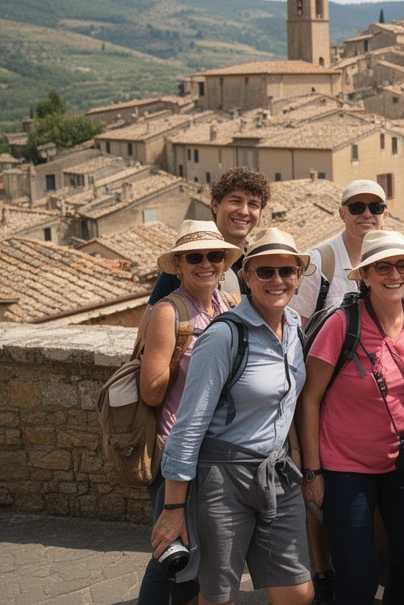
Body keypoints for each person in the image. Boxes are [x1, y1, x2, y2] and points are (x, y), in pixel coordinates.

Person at [152, 228, 313, 605]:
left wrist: (300, 460)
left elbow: (287, 402)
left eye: (287, 271)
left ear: (298, 276)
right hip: (222, 480)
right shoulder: (224, 336)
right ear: (245, 275)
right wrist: (174, 509)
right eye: (265, 272)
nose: (277, 280)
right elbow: (188, 427)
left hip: (277, 472)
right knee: (217, 596)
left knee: (299, 592)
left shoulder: (294, 326)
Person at [297, 231, 404, 605]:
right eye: (383, 267)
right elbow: (309, 399)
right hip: (346, 468)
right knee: (357, 576)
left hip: (403, 464)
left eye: (402, 265)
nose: (395, 274)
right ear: (366, 275)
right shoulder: (343, 324)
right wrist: (313, 472)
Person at [136, 220, 242, 605]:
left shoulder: (229, 305)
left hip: (215, 449)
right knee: (171, 548)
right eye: (194, 257)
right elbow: (151, 391)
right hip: (176, 447)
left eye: (214, 256)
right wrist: (192, 359)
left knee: (202, 552)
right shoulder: (170, 312)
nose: (206, 264)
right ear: (179, 264)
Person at [148, 168, 270, 305]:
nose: (244, 211)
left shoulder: (257, 263)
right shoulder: (189, 261)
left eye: (253, 204)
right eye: (236, 201)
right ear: (215, 205)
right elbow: (150, 320)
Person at [291, 179, 388, 324]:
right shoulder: (319, 262)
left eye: (376, 208)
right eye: (357, 208)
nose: (367, 214)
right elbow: (299, 325)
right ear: (342, 214)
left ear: (385, 215)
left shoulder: (393, 259)